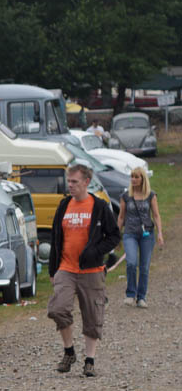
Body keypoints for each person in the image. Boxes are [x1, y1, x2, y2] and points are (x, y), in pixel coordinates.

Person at [46, 159, 121, 377]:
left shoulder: (99, 207)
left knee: (92, 316)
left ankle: (90, 360)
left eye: (74, 181)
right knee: (57, 309)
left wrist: (97, 251)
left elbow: (114, 236)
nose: (70, 185)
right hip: (66, 269)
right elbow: (55, 238)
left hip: (92, 272)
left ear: (86, 182)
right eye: (68, 181)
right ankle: (69, 351)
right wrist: (53, 270)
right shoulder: (63, 206)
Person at [118, 168, 164, 307]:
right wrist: (115, 235)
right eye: (132, 177)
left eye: (136, 177)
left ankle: (141, 297)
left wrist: (160, 233)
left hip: (147, 234)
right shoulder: (125, 196)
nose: (133, 179)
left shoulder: (151, 195)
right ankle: (130, 294)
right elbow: (121, 217)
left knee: (144, 267)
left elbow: (156, 215)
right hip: (130, 233)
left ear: (143, 179)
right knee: (131, 263)